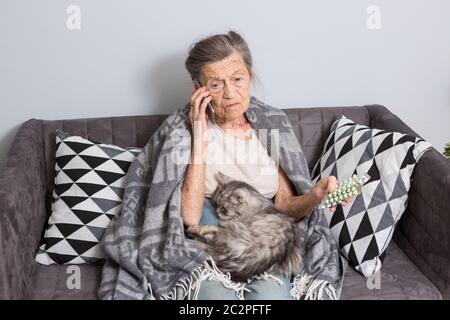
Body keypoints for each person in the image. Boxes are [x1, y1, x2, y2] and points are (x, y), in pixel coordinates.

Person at [181, 30, 352, 300]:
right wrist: (200, 132)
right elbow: (190, 217)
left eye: (238, 79)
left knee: (271, 296)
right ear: (198, 89)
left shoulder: (272, 124)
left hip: (264, 238)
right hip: (210, 233)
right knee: (215, 296)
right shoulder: (182, 130)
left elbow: (284, 205)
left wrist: (317, 195)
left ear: (249, 76)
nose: (229, 93)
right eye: (215, 85)